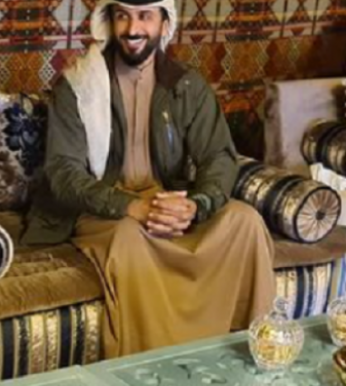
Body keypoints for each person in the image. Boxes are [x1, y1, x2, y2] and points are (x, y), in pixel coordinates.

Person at [21, 0, 275, 359]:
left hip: (167, 200)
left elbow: (218, 156)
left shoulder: (187, 85)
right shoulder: (78, 85)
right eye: (122, 16)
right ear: (109, 22)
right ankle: (152, 368)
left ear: (164, 23)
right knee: (129, 239)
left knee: (244, 220)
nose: (133, 28)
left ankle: (249, 353)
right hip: (102, 206)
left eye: (145, 16)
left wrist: (196, 205)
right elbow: (64, 173)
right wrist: (131, 206)